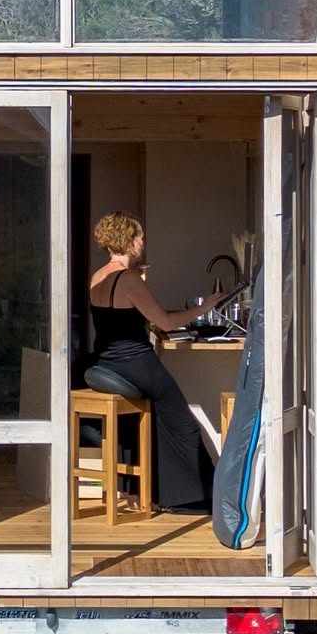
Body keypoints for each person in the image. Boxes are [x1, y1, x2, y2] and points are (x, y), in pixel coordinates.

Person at [87, 211, 213, 512]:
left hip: (107, 362)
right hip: (136, 364)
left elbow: (119, 322)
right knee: (184, 425)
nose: (143, 241)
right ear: (129, 240)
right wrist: (204, 308)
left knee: (154, 417)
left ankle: (150, 492)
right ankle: (195, 499)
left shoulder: (98, 277)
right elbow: (166, 322)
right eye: (140, 236)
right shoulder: (129, 279)